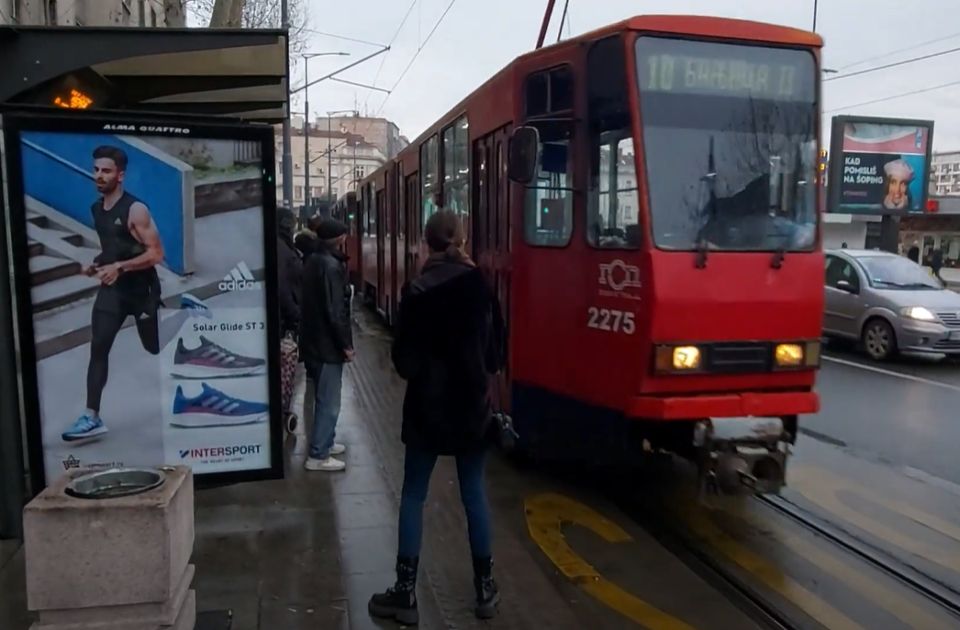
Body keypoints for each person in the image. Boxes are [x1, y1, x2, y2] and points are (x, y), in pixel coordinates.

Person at [369, 209, 505, 624]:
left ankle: (405, 595)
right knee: (474, 495)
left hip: (427, 410)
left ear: (426, 242)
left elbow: (405, 363)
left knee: (413, 495)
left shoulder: (416, 291)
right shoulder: (480, 287)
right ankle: (485, 590)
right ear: (462, 240)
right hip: (470, 410)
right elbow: (496, 355)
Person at [61, 146, 166, 441]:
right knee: (99, 348)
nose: (98, 175)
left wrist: (120, 266)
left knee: (155, 347)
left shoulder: (136, 210)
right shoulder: (96, 209)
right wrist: (96, 265)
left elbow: (157, 254)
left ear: (120, 175)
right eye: (96, 170)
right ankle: (91, 416)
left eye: (105, 171)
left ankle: (188, 317)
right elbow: (113, 248)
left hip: (142, 290)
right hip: (113, 293)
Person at [300, 218, 354, 472]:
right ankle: (319, 454)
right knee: (329, 401)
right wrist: (345, 344)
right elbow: (335, 312)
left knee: (325, 398)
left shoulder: (313, 261)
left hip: (313, 340)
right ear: (339, 238)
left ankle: (327, 442)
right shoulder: (330, 266)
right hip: (325, 346)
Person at [277, 207, 302, 337]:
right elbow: (281, 286)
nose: (293, 230)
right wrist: (295, 313)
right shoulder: (281, 248)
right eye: (293, 226)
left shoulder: (282, 245)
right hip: (285, 319)